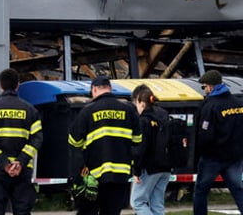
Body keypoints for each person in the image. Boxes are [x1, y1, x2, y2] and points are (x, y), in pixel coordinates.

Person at [69, 75, 141, 215]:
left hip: (94, 176)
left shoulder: (87, 111)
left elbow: (74, 141)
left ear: (94, 90)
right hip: (120, 175)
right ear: (110, 89)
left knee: (87, 211)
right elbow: (137, 140)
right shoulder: (129, 110)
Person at [0, 68, 43, 215]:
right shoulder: (30, 110)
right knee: (22, 211)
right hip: (23, 170)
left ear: (0, 85)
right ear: (17, 85)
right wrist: (20, 161)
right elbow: (37, 139)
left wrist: (4, 163)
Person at [192, 70, 243, 215]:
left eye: (204, 87)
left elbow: (205, 135)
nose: (204, 91)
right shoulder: (240, 104)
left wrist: (200, 154)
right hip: (235, 157)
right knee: (238, 190)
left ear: (210, 87)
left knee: (201, 190)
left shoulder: (211, 106)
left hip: (213, 158)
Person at [129, 84, 172, 215]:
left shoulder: (143, 121)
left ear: (140, 102)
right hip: (166, 165)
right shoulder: (164, 115)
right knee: (157, 205)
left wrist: (136, 170)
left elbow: (141, 148)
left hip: (149, 167)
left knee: (137, 202)